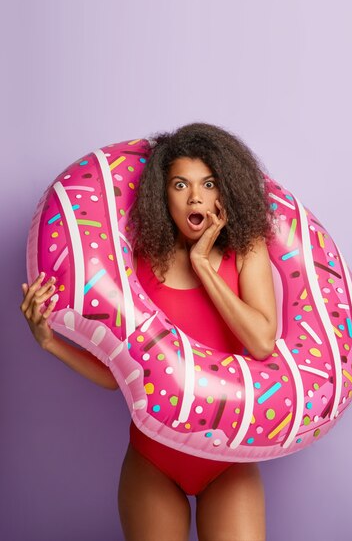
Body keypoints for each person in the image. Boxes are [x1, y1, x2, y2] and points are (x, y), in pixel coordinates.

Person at [20, 123, 277, 541]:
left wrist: (205, 267)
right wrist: (49, 342)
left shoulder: (247, 248)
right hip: (154, 460)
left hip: (228, 458)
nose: (195, 196)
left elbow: (262, 342)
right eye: (181, 184)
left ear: (224, 189)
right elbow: (119, 374)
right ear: (164, 194)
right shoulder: (140, 264)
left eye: (207, 183)